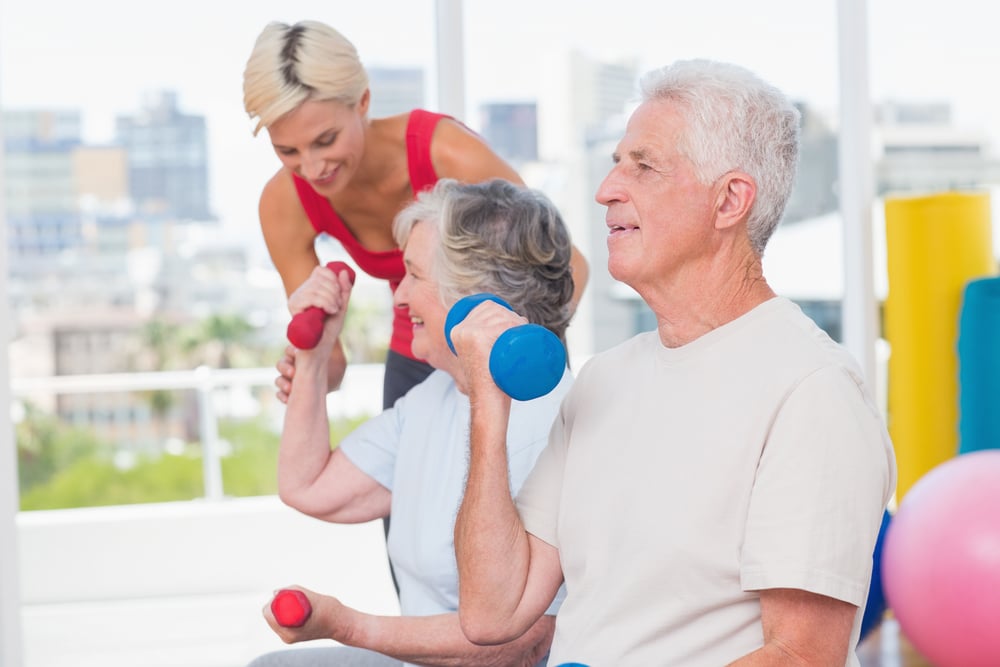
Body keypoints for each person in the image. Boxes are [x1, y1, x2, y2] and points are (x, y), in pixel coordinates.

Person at [450, 59, 897, 666]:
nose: (607, 188)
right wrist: (487, 411)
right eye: (614, 163)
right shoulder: (605, 378)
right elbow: (491, 611)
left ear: (730, 200)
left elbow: (801, 657)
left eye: (644, 166)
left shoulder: (812, 390)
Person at [247, 178, 575, 667]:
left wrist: (346, 625)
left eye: (415, 277)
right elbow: (308, 486)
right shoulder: (434, 397)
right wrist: (314, 360)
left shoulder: (550, 422)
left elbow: (520, 646)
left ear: (476, 296)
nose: (399, 298)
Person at [242, 19, 588, 410]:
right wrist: (308, 364)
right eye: (288, 151)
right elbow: (333, 372)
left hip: (512, 347)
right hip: (416, 347)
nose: (312, 167)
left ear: (363, 102)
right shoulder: (283, 202)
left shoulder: (449, 154)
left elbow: (572, 268)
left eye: (326, 140)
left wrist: (509, 356)